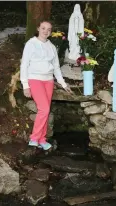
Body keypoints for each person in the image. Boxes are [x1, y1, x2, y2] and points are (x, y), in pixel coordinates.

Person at [20, 20, 72, 150]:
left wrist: (63, 84)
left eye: (48, 29)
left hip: (48, 81)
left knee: (45, 111)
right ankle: (34, 138)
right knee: (44, 109)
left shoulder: (52, 47)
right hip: (34, 79)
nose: (46, 31)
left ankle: (42, 139)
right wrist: (25, 85)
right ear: (38, 28)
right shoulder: (31, 44)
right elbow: (24, 65)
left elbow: (56, 67)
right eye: (43, 28)